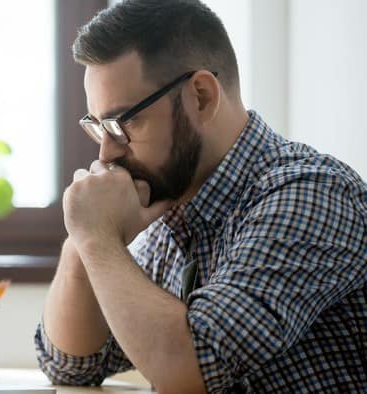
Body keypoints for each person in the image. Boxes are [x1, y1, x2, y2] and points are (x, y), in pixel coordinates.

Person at [34, 0, 367, 393]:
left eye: (124, 122)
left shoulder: (311, 194)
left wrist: (99, 241)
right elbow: (72, 366)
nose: (106, 152)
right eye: (99, 126)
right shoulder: (175, 216)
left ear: (201, 97)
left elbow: (191, 372)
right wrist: (82, 243)